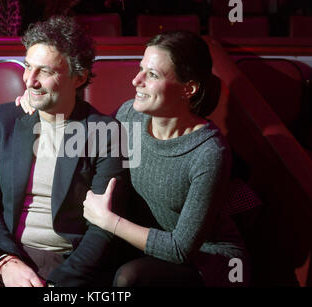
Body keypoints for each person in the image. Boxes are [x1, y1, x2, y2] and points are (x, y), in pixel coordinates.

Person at [0, 15, 128, 287]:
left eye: (44, 71)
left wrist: (60, 282)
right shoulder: (3, 120)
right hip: (4, 252)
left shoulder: (105, 131)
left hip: (69, 261)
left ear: (78, 77)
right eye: (27, 66)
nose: (29, 80)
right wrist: (6, 260)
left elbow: (103, 228)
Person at [80, 31, 250, 287]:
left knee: (130, 279)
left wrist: (109, 221)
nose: (136, 80)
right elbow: (84, 139)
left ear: (188, 88)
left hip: (207, 260)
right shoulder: (130, 115)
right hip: (145, 245)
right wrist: (38, 105)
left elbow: (181, 249)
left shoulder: (209, 152)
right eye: (141, 69)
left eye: (153, 75)